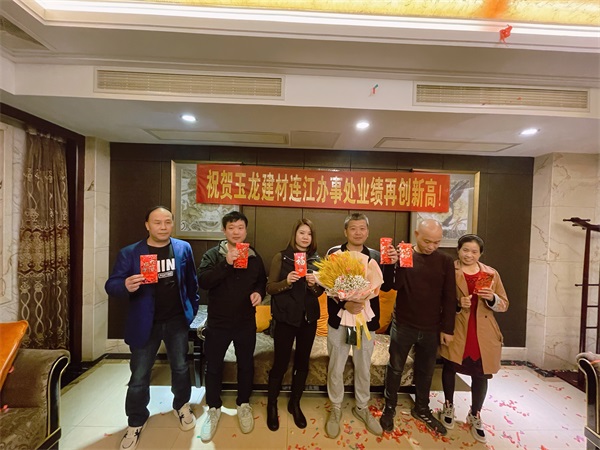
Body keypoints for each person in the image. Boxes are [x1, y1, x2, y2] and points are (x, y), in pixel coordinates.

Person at [105, 206, 199, 450]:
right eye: (157, 222)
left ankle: (182, 406)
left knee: (181, 367)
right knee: (139, 375)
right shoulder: (130, 253)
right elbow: (111, 285)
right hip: (144, 322)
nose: (163, 226)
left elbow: (192, 282)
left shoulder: (183, 248)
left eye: (168, 221)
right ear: (147, 225)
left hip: (177, 321)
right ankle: (136, 420)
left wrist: (191, 311)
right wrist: (125, 285)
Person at [380, 218, 456, 436]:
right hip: (404, 323)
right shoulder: (405, 254)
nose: (431, 246)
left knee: (426, 370)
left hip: (432, 326)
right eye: (427, 241)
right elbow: (393, 286)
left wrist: (448, 329)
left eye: (437, 242)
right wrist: (395, 263)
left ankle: (422, 408)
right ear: (416, 235)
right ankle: (389, 407)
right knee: (395, 367)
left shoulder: (445, 261)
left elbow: (449, 296)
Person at [324, 213, 398, 439]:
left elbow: (387, 286)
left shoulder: (376, 256)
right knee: (336, 366)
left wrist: (392, 264)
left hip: (366, 322)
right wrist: (345, 303)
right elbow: (327, 287)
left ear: (367, 231)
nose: (358, 232)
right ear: (345, 231)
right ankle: (336, 407)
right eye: (353, 228)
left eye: (362, 228)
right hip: (340, 320)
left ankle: (362, 407)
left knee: (363, 366)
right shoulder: (334, 254)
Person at [196, 210, 267, 442]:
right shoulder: (212, 255)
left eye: (240, 228)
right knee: (214, 365)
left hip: (245, 321)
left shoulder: (254, 256)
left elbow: (261, 281)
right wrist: (226, 263)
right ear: (224, 230)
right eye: (231, 228)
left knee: (246, 364)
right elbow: (204, 281)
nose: (236, 232)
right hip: (218, 322)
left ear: (245, 230)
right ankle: (213, 407)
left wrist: (258, 293)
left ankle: (243, 403)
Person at [438, 234, 509, 443]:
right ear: (458, 250)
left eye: (474, 251)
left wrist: (492, 298)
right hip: (458, 327)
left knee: (481, 373)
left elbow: (504, 304)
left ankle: (475, 413)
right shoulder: (449, 270)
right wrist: (458, 304)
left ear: (480, 254)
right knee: (450, 367)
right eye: (465, 250)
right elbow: (438, 300)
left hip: (483, 332)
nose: (469, 255)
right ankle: (448, 406)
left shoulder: (490, 274)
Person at [265, 219, 324, 431]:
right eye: (302, 233)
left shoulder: (317, 259)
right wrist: (286, 282)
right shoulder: (281, 257)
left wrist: (314, 285)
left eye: (309, 233)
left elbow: (320, 292)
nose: (305, 237)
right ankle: (272, 405)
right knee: (280, 363)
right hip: (285, 319)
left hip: (308, 320)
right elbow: (270, 288)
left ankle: (294, 403)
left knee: (302, 363)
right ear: (295, 235)